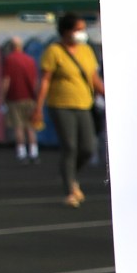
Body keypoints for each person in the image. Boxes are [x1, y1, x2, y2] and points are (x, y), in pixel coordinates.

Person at [39, 12, 104, 206]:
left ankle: (70, 174)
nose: (81, 33)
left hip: (84, 103)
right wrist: (38, 106)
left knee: (87, 148)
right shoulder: (54, 51)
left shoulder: (86, 51)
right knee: (70, 147)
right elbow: (45, 80)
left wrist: (106, 94)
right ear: (66, 31)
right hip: (61, 104)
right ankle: (70, 190)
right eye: (78, 29)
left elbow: (93, 78)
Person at [0, 38, 42, 162]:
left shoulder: (9, 59)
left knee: (18, 127)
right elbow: (35, 82)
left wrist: (2, 97)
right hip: (30, 98)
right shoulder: (30, 60)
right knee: (30, 127)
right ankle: (34, 153)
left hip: (14, 98)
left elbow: (6, 80)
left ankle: (21, 153)